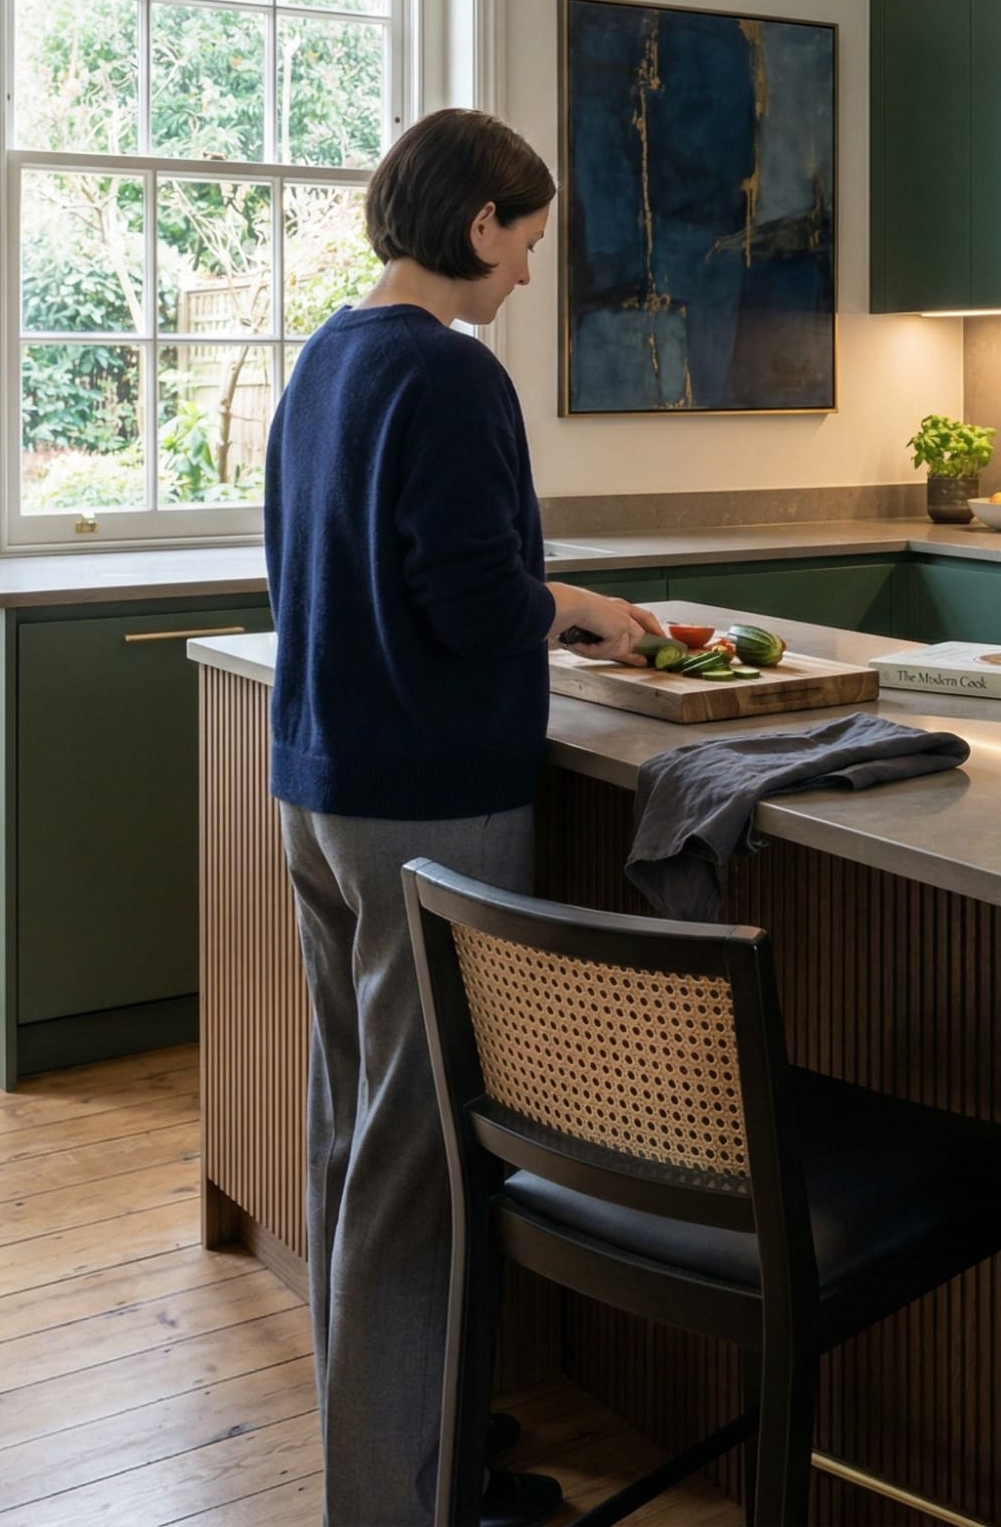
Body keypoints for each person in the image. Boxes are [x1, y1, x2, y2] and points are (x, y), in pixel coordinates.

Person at [265, 107, 661, 1526]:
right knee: (416, 1161)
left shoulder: (324, 358)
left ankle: (413, 1446)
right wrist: (585, 612)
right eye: (529, 244)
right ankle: (390, 1501)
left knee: (350, 1130)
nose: (528, 278)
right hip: (426, 800)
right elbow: (476, 597)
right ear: (478, 223)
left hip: (320, 786)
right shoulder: (450, 374)